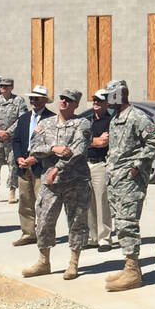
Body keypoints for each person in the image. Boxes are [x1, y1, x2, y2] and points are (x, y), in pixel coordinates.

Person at [24, 89, 92, 280]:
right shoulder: (45, 123)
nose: (64, 102)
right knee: (44, 220)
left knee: (77, 222)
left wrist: (57, 167)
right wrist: (53, 148)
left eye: (69, 100)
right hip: (50, 183)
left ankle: (73, 263)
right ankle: (44, 261)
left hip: (75, 181)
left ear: (76, 104)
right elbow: (34, 148)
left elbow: (77, 150)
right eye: (62, 98)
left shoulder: (82, 123)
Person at [104, 80, 155, 292]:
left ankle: (132, 271)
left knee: (128, 223)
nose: (107, 99)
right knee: (120, 223)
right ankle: (130, 266)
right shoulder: (116, 118)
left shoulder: (136, 116)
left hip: (130, 181)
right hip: (116, 180)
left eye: (111, 94)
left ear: (120, 94)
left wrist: (137, 165)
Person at [11, 86, 53, 247]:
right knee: (25, 202)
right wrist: (19, 157)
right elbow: (16, 141)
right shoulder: (23, 118)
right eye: (31, 98)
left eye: (36, 98)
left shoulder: (51, 119)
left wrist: (35, 159)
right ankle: (28, 233)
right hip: (23, 166)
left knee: (42, 203)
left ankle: (45, 235)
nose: (33, 101)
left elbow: (52, 144)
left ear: (44, 100)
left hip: (40, 166)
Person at [0, 78, 24, 204]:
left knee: (13, 165)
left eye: (6, 86)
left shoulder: (18, 101)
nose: (3, 88)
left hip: (12, 139)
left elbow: (22, 119)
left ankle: (12, 191)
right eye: (1, 86)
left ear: (11, 87)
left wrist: (8, 132)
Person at [86, 90, 113, 252]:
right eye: (94, 100)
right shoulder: (87, 121)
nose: (96, 103)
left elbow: (105, 142)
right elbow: (81, 141)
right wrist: (94, 141)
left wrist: (92, 141)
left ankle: (104, 238)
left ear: (106, 103)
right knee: (88, 202)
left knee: (102, 200)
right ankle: (92, 236)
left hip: (101, 164)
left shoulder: (110, 121)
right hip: (86, 163)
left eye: (99, 100)